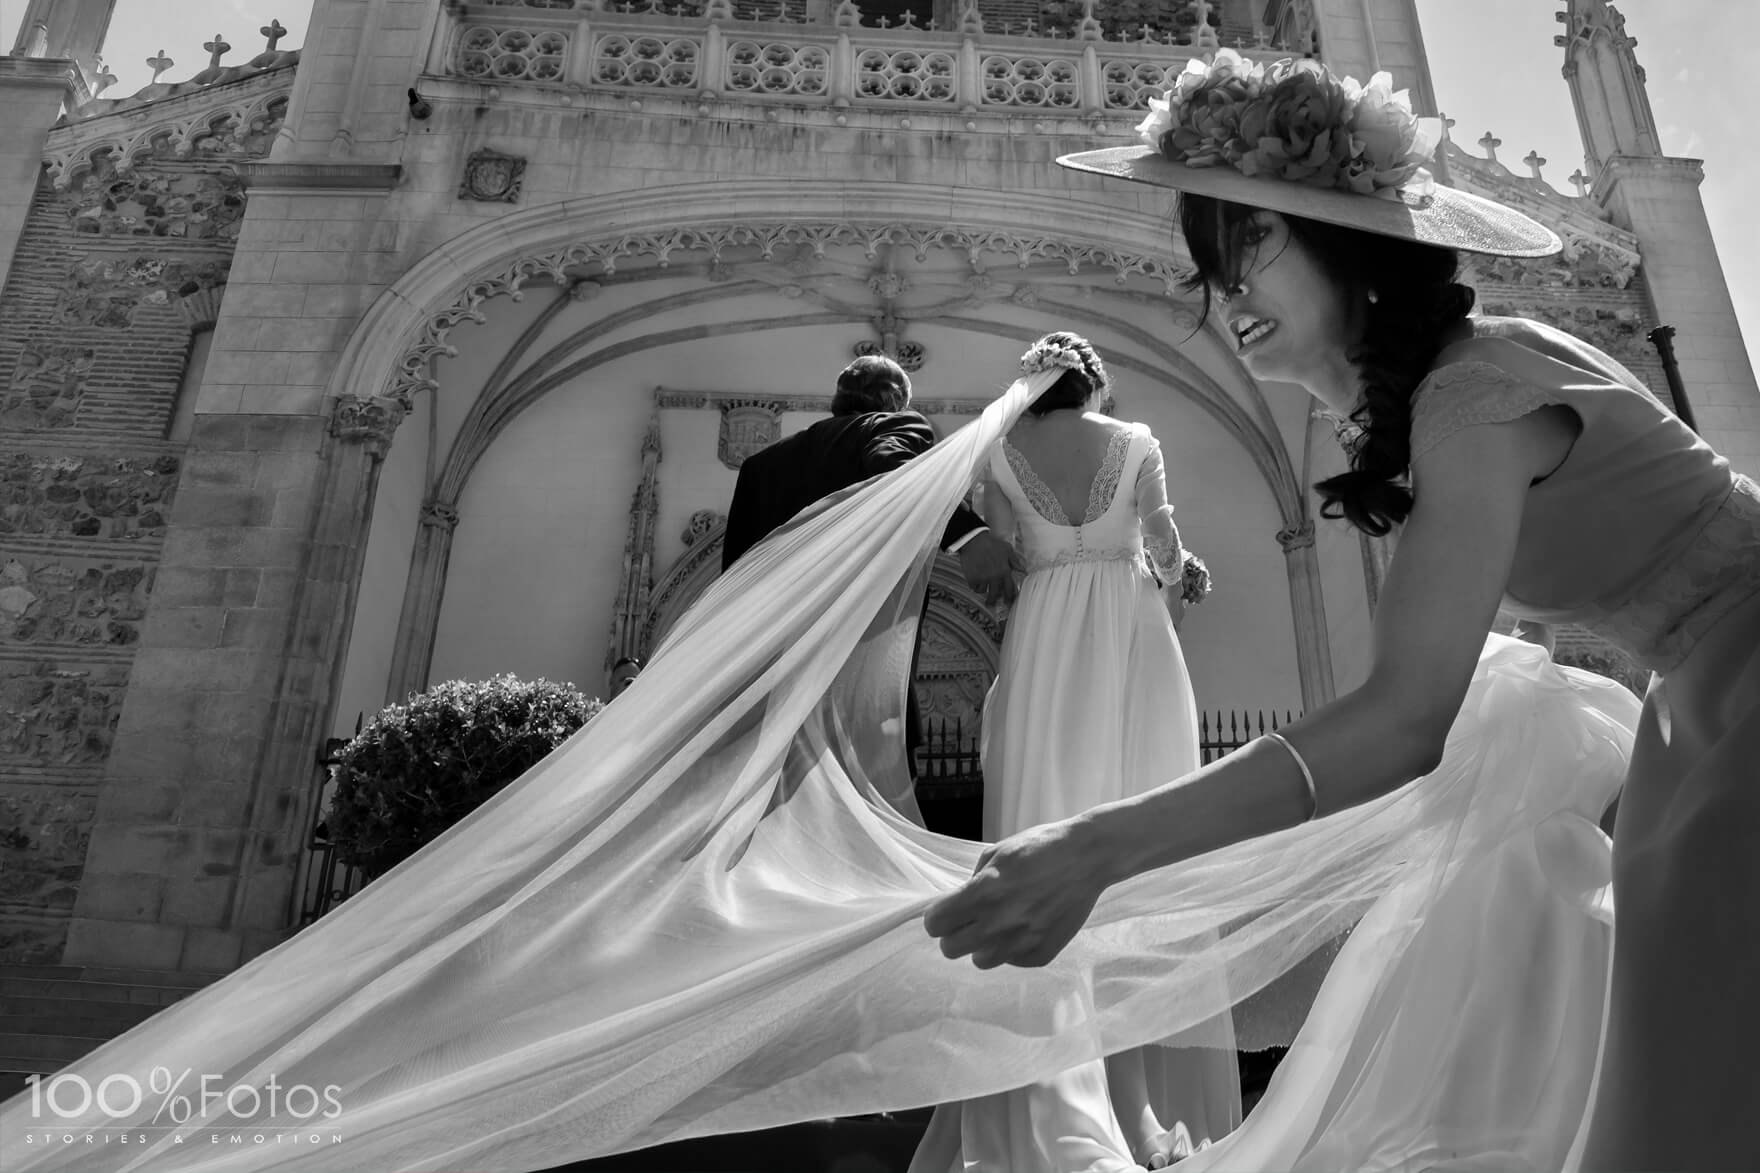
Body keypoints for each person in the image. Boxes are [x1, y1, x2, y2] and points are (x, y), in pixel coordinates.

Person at [926, 51, 1760, 1173]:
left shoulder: (1476, 398)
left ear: (1351, 245)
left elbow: (1401, 718)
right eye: (1209, 268)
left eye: (1247, 251)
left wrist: (1096, 846)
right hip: (1699, 711)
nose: (1224, 297)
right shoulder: (1446, 413)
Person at [911, 334, 1239, 1173]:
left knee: (1040, 805)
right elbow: (1161, 536)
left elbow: (999, 555)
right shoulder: (1136, 443)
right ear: (1095, 386)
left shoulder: (1005, 453)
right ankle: (1143, 1107)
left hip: (1046, 633)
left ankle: (1039, 1084)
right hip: (1129, 633)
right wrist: (1177, 572)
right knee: (1141, 822)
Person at [723, 354, 1023, 793]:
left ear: (836, 402)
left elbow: (736, 574)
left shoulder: (761, 468)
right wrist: (968, 535)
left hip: (776, 667)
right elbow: (892, 465)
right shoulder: (894, 428)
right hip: (860, 658)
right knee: (865, 791)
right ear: (897, 402)